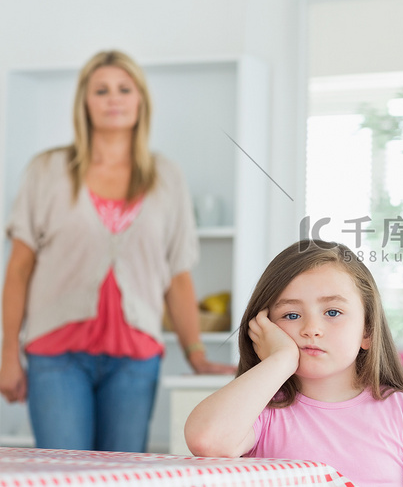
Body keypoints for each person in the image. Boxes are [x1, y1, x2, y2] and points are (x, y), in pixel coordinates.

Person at [0, 50, 235, 453]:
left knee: (122, 475)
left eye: (124, 89)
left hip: (135, 357)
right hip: (56, 355)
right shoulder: (47, 170)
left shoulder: (166, 177)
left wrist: (196, 354)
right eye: (101, 90)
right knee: (63, 472)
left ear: (140, 100)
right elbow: (19, 268)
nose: (113, 98)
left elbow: (177, 274)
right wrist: (7, 354)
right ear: (84, 102)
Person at [184, 240, 403, 487]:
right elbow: (207, 442)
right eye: (291, 314)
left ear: (367, 331)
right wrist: (281, 359)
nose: (311, 329)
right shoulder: (260, 413)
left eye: (332, 312)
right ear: (264, 329)